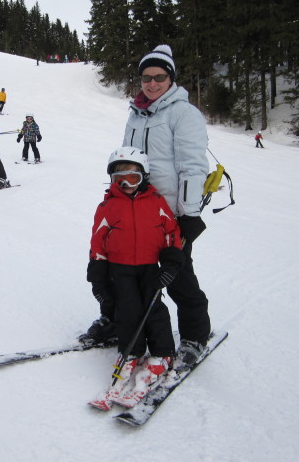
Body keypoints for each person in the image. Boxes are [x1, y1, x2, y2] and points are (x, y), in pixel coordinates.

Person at [83, 44, 212, 373]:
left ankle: (196, 335)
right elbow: (128, 157)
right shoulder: (136, 113)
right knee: (120, 271)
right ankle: (115, 320)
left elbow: (193, 168)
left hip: (168, 212)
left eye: (159, 77)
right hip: (132, 205)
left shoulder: (183, 114)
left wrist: (190, 213)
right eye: (146, 78)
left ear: (171, 78)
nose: (152, 83)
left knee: (177, 274)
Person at [88, 147, 183, 407]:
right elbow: (98, 242)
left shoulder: (156, 202)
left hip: (150, 268)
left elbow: (171, 233)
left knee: (154, 309)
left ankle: (162, 353)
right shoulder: (107, 206)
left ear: (145, 177)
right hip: (120, 270)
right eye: (120, 179)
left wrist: (171, 263)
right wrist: (98, 278)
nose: (127, 184)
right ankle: (132, 351)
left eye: (133, 177)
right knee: (127, 311)